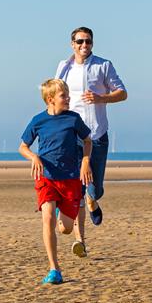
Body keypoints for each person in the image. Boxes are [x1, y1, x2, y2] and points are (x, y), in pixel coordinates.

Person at [54, 26, 127, 258]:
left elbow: (122, 92)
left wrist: (101, 98)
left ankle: (93, 200)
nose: (84, 45)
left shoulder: (103, 65)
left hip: (97, 135)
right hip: (72, 136)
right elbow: (54, 96)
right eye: (79, 42)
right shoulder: (63, 67)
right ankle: (80, 241)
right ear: (72, 44)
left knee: (94, 189)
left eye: (88, 42)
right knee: (77, 188)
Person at [19, 79, 93, 285]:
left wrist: (85, 161)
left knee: (66, 229)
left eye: (68, 94)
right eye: (64, 96)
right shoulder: (38, 121)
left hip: (70, 179)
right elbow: (23, 146)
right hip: (47, 178)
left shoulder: (73, 119)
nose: (68, 98)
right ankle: (54, 269)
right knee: (47, 218)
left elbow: (88, 141)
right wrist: (34, 157)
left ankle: (63, 214)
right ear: (50, 99)